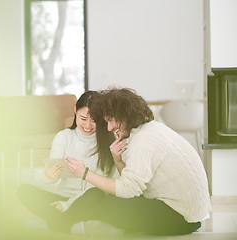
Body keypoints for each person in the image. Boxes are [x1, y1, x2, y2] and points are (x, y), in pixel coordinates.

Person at [47, 88, 211, 236]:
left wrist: (85, 174)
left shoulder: (143, 141)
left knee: (105, 205)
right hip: (192, 215)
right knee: (97, 194)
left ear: (124, 115)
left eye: (111, 121)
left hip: (182, 218)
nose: (109, 128)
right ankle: (65, 221)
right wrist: (118, 161)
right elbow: (136, 183)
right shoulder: (150, 129)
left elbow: (129, 190)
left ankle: (62, 222)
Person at [17, 91, 114, 221]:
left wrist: (68, 205)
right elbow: (50, 179)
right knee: (24, 190)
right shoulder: (63, 137)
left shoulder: (108, 142)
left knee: (96, 195)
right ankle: (68, 221)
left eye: (94, 121)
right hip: (62, 196)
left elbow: (104, 186)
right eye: (83, 119)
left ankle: (58, 221)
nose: (87, 125)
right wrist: (48, 176)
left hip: (87, 200)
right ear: (75, 110)